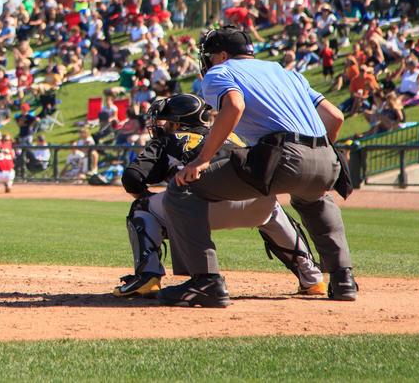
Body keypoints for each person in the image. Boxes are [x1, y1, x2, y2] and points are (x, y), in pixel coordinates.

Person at [159, 25, 356, 308]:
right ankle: (343, 278)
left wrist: (201, 160)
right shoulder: (288, 73)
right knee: (315, 198)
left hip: (281, 154)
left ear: (222, 54)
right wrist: (318, 153)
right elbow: (335, 116)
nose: (208, 61)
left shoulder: (221, 71)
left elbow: (234, 107)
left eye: (209, 55)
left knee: (182, 189)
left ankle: (206, 281)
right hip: (327, 156)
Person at [115, 95, 325, 298]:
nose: (163, 126)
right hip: (256, 206)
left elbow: (132, 178)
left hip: (200, 206)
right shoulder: (232, 135)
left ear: (178, 125)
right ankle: (312, 277)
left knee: (141, 209)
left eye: (167, 122)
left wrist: (145, 197)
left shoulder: (170, 140)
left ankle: (147, 277)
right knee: (271, 206)